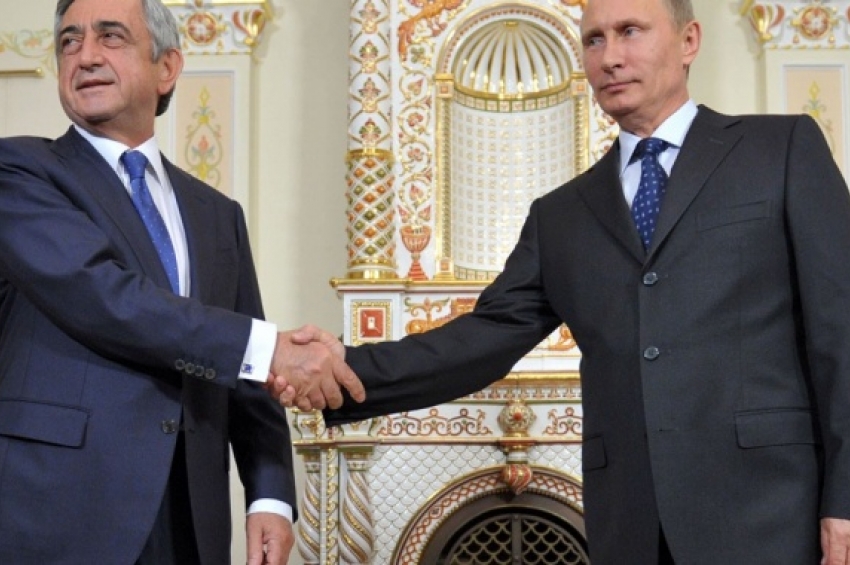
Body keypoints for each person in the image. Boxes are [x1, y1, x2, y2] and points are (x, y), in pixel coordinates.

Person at [272, 0, 850, 563]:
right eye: (594, 39)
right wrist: (344, 369)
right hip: (631, 524)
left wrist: (845, 500)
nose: (610, 57)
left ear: (689, 41)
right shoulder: (562, 215)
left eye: (630, 31)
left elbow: (841, 332)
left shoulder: (780, 150)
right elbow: (479, 341)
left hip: (772, 513)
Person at [0, 0, 362, 563]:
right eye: (70, 41)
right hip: (62, 507)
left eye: (110, 36)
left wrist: (270, 495)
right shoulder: (21, 172)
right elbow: (105, 296)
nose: (85, 55)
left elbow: (247, 369)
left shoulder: (217, 213)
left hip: (191, 514)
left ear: (166, 67)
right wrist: (272, 350)